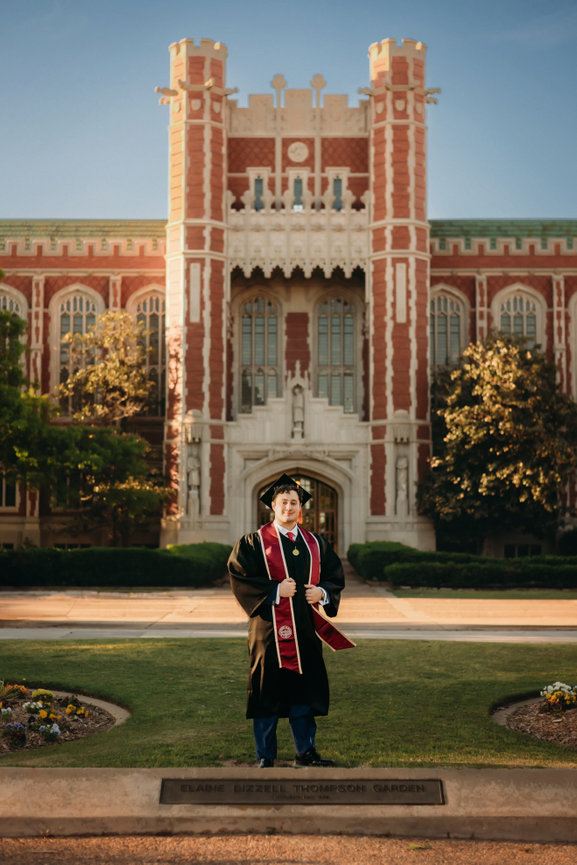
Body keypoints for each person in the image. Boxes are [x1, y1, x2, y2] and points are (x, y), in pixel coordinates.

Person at [228, 473, 355, 768]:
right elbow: (239, 575)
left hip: (305, 631)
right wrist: (274, 590)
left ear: (300, 508)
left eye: (294, 503)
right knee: (266, 691)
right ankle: (265, 756)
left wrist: (322, 592)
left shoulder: (315, 544)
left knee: (303, 692)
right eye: (283, 502)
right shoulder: (254, 542)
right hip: (268, 631)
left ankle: (306, 753)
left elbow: (335, 577)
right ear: (273, 505)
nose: (288, 507)